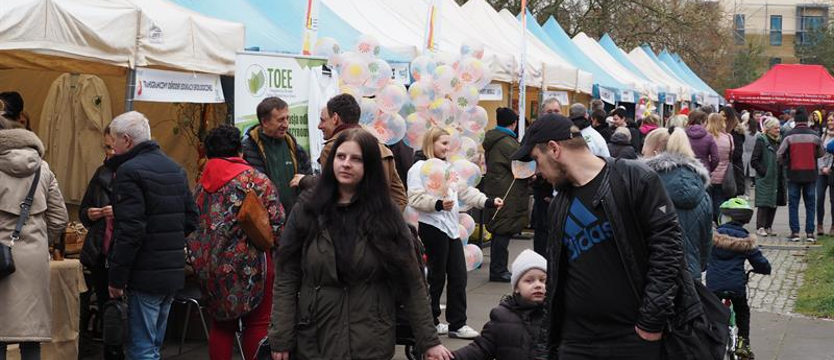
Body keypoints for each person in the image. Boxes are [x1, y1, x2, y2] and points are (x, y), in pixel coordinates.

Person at [513, 114, 695, 360]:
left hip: (631, 339)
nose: (538, 172)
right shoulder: (559, 204)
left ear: (554, 149)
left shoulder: (635, 178)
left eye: (536, 159)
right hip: (575, 341)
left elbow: (668, 252)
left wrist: (650, 322)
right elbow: (556, 278)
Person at [269, 128, 452, 360]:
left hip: (370, 339)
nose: (346, 164)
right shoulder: (307, 209)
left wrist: (428, 341)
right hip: (315, 336)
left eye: (356, 159)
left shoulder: (386, 215)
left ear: (370, 167)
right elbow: (286, 276)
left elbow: (411, 281)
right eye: (341, 156)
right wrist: (281, 337)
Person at [105, 111, 199, 360]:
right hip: (171, 271)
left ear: (126, 139)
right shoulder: (175, 169)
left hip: (144, 272)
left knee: (142, 349)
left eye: (114, 140)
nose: (112, 147)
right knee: (154, 346)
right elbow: (192, 218)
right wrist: (167, 240)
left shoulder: (128, 171)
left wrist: (115, 279)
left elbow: (130, 230)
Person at [187, 125, 285, 360]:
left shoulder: (200, 185)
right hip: (251, 266)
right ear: (240, 151)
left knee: (221, 326)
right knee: (257, 324)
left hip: (209, 266)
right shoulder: (255, 180)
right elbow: (278, 224)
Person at [408, 127, 502, 339]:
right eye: (443, 143)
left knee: (459, 275)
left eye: (448, 143)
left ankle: (457, 324)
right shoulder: (419, 168)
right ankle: (430, 320)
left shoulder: (449, 167)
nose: (447, 148)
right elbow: (414, 198)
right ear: (431, 143)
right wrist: (438, 204)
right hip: (432, 227)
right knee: (436, 276)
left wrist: (487, 201)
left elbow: (465, 190)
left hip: (451, 229)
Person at [0, 127, 68, 360]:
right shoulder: (43, 168)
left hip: (1, 256)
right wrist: (41, 239)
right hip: (35, 256)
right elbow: (60, 218)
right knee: (31, 336)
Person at [298, 94, 408, 208]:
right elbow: (400, 198)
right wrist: (385, 222)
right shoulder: (381, 148)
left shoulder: (332, 148)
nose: (319, 126)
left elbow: (331, 191)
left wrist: (305, 180)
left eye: (322, 120)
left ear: (335, 118)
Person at [642, 127, 713, 280]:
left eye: (644, 151)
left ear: (655, 153)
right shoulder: (702, 192)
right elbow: (706, 239)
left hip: (653, 273)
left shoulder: (646, 189)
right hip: (691, 272)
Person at [706, 198, 771, 360]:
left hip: (714, 285)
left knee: (710, 312)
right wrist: (764, 269)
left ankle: (707, 339)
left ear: (725, 217)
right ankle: (743, 343)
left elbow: (702, 257)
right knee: (742, 310)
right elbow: (760, 262)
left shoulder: (712, 237)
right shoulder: (746, 240)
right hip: (736, 286)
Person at [452, 249, 548, 360]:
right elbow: (480, 348)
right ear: (516, 287)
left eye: (543, 280)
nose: (538, 285)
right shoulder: (502, 317)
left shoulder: (557, 316)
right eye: (529, 281)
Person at [78, 125, 117, 352]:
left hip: (123, 253)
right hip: (101, 253)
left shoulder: (136, 174)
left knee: (124, 315)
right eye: (106, 147)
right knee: (107, 311)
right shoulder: (100, 173)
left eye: (112, 147)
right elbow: (84, 209)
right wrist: (90, 214)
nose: (109, 152)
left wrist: (119, 212)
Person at [243, 97, 312, 215]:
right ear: (264, 122)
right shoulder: (247, 150)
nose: (286, 125)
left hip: (293, 222)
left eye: (287, 118)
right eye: (280, 120)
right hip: (263, 223)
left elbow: (309, 185)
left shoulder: (297, 150)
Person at [484, 108, 530, 282]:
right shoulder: (506, 142)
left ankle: (499, 268)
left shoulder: (495, 138)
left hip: (498, 188)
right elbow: (521, 162)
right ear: (514, 123)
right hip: (506, 191)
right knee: (502, 230)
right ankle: (498, 270)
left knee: (500, 229)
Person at [777, 107, 825, 242]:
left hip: (793, 174)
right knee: (810, 203)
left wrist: (786, 162)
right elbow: (822, 152)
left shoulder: (788, 135)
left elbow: (779, 154)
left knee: (793, 204)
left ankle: (795, 233)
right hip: (811, 174)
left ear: (795, 120)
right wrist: (812, 155)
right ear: (807, 119)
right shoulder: (815, 135)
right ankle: (810, 233)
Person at [751, 117, 787, 237]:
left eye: (778, 127)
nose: (778, 130)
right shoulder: (762, 140)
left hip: (777, 176)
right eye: (775, 128)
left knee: (774, 202)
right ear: (768, 129)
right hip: (766, 177)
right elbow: (754, 160)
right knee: (764, 203)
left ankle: (768, 226)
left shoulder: (779, 140)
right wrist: (764, 172)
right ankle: (760, 227)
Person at [706, 112, 734, 225]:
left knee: (708, 200)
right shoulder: (729, 137)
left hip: (708, 173)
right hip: (724, 174)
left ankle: (709, 223)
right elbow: (731, 154)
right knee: (720, 200)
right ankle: (721, 223)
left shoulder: (707, 137)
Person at [722, 106, 747, 196]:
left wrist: (722, 155)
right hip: (723, 170)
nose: (722, 118)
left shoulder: (735, 133)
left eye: (724, 116)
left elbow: (737, 153)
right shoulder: (722, 131)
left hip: (732, 171)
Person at [817, 112, 834, 236]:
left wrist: (829, 168)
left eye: (832, 120)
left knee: (833, 200)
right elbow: (818, 154)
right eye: (828, 120)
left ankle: (833, 225)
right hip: (821, 172)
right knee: (820, 198)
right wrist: (822, 167)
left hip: (832, 171)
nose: (830, 123)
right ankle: (820, 224)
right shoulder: (822, 135)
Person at [741, 111, 760, 192]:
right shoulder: (758, 134)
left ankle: (747, 193)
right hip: (755, 156)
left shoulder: (744, 133)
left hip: (745, 155)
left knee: (746, 177)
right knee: (757, 176)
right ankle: (758, 192)